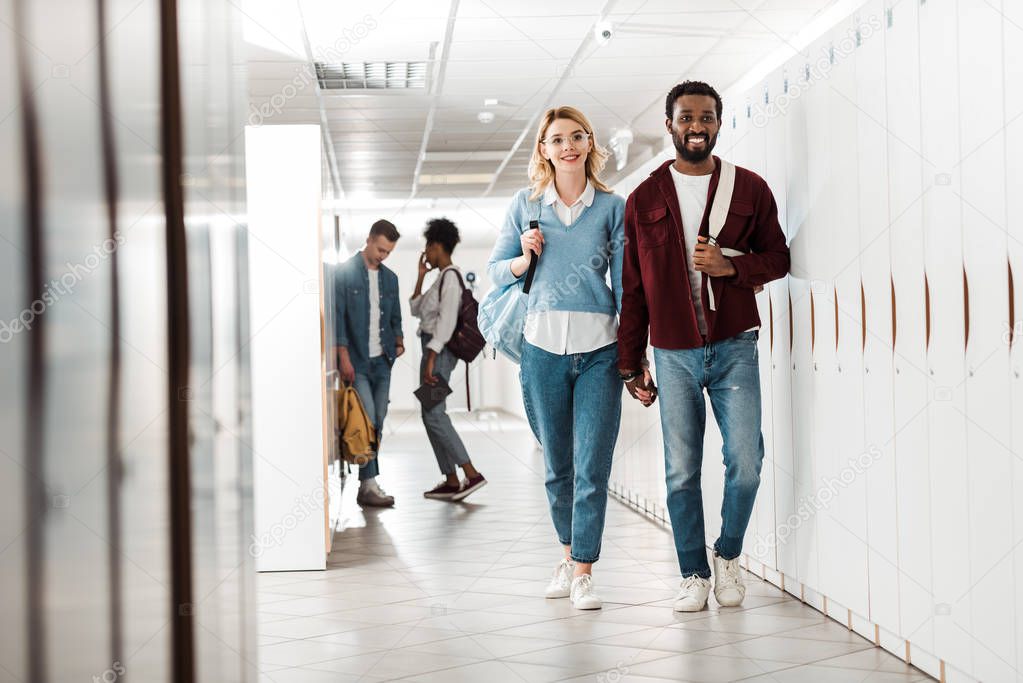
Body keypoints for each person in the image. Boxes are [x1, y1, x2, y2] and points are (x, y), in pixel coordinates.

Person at [617, 81, 790, 611]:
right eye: (686, 117)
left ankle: (728, 555)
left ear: (719, 122)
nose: (697, 126)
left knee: (747, 460)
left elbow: (778, 257)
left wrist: (732, 266)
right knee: (681, 469)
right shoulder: (644, 198)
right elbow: (633, 288)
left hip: (735, 343)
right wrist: (630, 363)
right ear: (669, 124)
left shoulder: (750, 188)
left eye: (707, 117)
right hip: (672, 352)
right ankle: (692, 573)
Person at [487, 106, 624, 610]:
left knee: (592, 466)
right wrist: (524, 257)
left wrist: (633, 354)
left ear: (589, 144)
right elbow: (496, 271)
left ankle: (585, 570)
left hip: (600, 352)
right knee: (557, 466)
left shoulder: (613, 208)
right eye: (556, 139)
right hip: (542, 350)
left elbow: (627, 285)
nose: (567, 146)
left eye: (577, 136)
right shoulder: (526, 206)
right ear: (543, 149)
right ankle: (567, 556)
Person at [410, 218, 487, 503]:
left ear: (436, 245)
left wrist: (430, 358)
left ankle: (470, 472)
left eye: (427, 248)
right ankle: (451, 479)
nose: (426, 254)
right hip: (433, 352)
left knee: (434, 414)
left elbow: (445, 324)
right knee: (429, 414)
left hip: (439, 354)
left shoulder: (451, 278)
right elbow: (416, 309)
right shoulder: (440, 278)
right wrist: (420, 275)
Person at [334, 219, 405, 508]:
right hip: (358, 362)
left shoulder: (390, 278)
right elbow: (338, 317)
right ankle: (369, 484)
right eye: (380, 249)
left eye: (388, 252)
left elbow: (395, 316)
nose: (382, 256)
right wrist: (343, 356)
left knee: (378, 421)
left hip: (383, 361)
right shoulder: (345, 273)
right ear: (368, 240)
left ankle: (367, 485)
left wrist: (399, 341)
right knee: (369, 419)